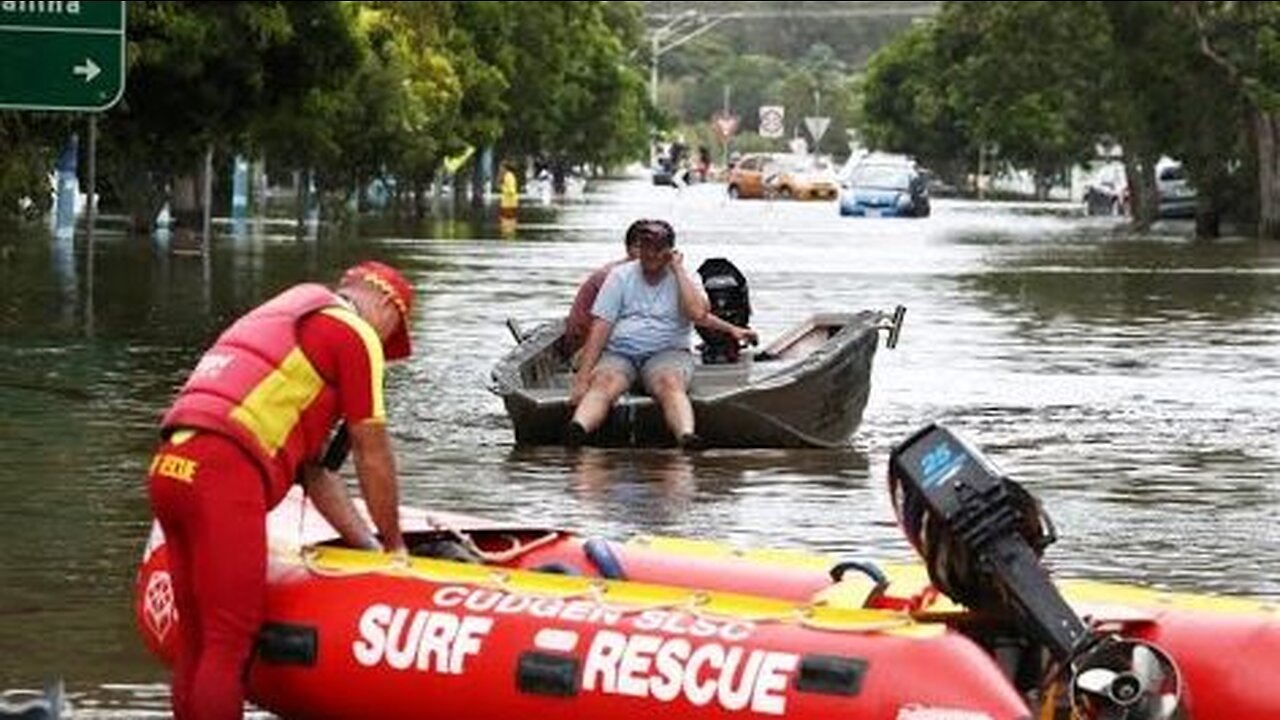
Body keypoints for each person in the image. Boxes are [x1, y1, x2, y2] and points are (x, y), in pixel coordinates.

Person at [146, 260, 414, 720]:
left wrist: (368, 547)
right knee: (229, 642)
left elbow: (315, 474)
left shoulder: (286, 315)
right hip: (224, 476)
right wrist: (395, 546)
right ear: (389, 307)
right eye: (394, 334)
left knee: (198, 638)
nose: (387, 347)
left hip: (170, 468)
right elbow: (374, 454)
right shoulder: (356, 333)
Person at [567, 220, 756, 449]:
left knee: (670, 384)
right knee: (603, 383)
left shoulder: (683, 279)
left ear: (669, 251)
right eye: (646, 248)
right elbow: (601, 327)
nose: (651, 255)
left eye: (658, 249)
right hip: (620, 353)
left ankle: (686, 436)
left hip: (666, 353)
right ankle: (578, 429)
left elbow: (698, 313)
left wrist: (677, 270)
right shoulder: (619, 276)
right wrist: (581, 379)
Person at [559, 223, 644, 359]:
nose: (648, 253)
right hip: (586, 346)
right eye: (640, 247)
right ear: (628, 249)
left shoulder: (638, 275)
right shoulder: (613, 276)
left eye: (654, 247)